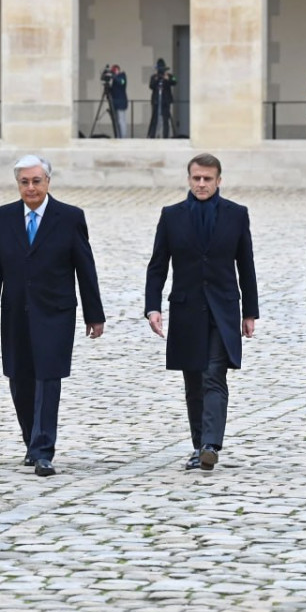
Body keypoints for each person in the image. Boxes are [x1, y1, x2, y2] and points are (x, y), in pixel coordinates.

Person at [0, 154, 105, 476]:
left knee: (48, 378)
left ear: (48, 182)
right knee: (20, 379)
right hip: (16, 311)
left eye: (36, 181)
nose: (31, 188)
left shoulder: (69, 217)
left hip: (56, 312)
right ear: (17, 184)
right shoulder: (2, 217)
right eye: (25, 182)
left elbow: (84, 268)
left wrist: (94, 314)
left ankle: (43, 449)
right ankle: (31, 442)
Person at [144, 153, 258, 470]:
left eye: (208, 178)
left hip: (222, 309)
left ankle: (211, 444)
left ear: (219, 180)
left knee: (213, 376)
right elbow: (157, 266)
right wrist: (152, 307)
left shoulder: (236, 215)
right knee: (193, 382)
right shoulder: (172, 216)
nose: (202, 184)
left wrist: (250, 311)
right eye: (196, 178)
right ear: (189, 179)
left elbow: (245, 265)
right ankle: (199, 446)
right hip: (186, 310)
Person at [147, 58, 177, 139]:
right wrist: (156, 78)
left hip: (166, 100)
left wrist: (168, 78)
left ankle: (165, 136)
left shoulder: (168, 76)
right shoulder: (154, 77)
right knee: (154, 118)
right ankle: (152, 135)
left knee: (166, 119)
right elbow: (151, 86)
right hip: (156, 100)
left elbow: (175, 81)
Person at [109, 65, 129, 139]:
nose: (114, 73)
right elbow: (113, 91)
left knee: (121, 121)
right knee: (117, 121)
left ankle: (123, 137)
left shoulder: (122, 76)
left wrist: (114, 76)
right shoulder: (115, 79)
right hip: (116, 103)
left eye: (115, 71)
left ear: (118, 70)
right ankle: (118, 135)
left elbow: (122, 82)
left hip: (121, 102)